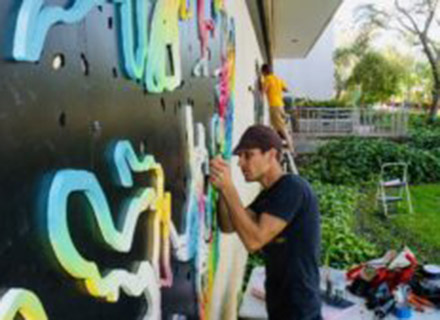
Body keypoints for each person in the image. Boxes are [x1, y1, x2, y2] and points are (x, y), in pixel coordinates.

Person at [210, 124, 322, 320]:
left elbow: (254, 240)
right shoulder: (268, 196)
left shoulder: (292, 188)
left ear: (271, 155)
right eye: (239, 157)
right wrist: (221, 190)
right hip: (281, 306)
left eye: (248, 155)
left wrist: (229, 189)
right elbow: (228, 226)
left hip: (299, 309)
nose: (241, 163)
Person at [261, 63, 294, 152]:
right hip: (281, 105)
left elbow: (263, 91)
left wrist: (255, 90)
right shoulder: (278, 79)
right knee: (275, 127)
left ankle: (291, 148)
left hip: (274, 106)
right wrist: (278, 89)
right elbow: (286, 89)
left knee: (281, 128)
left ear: (264, 72)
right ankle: (274, 145)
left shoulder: (267, 79)